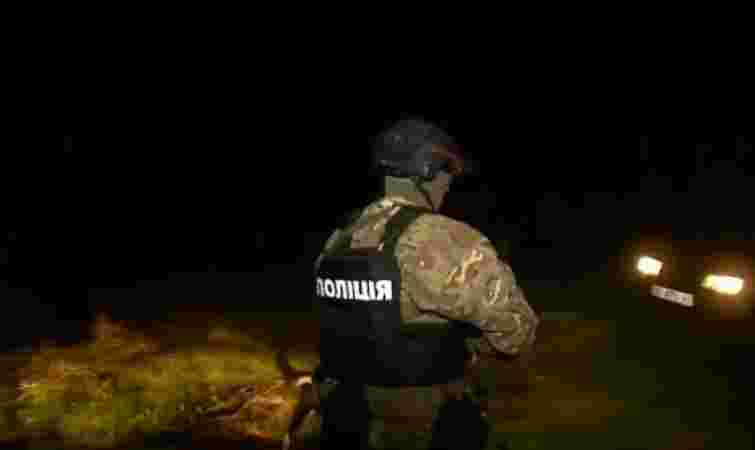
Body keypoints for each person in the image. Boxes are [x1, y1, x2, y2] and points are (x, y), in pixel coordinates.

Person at [294, 118, 539, 450]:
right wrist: (468, 344)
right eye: (447, 173)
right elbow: (517, 332)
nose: (449, 185)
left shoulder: (340, 237)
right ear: (428, 170)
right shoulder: (440, 238)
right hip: (422, 426)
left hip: (343, 418)